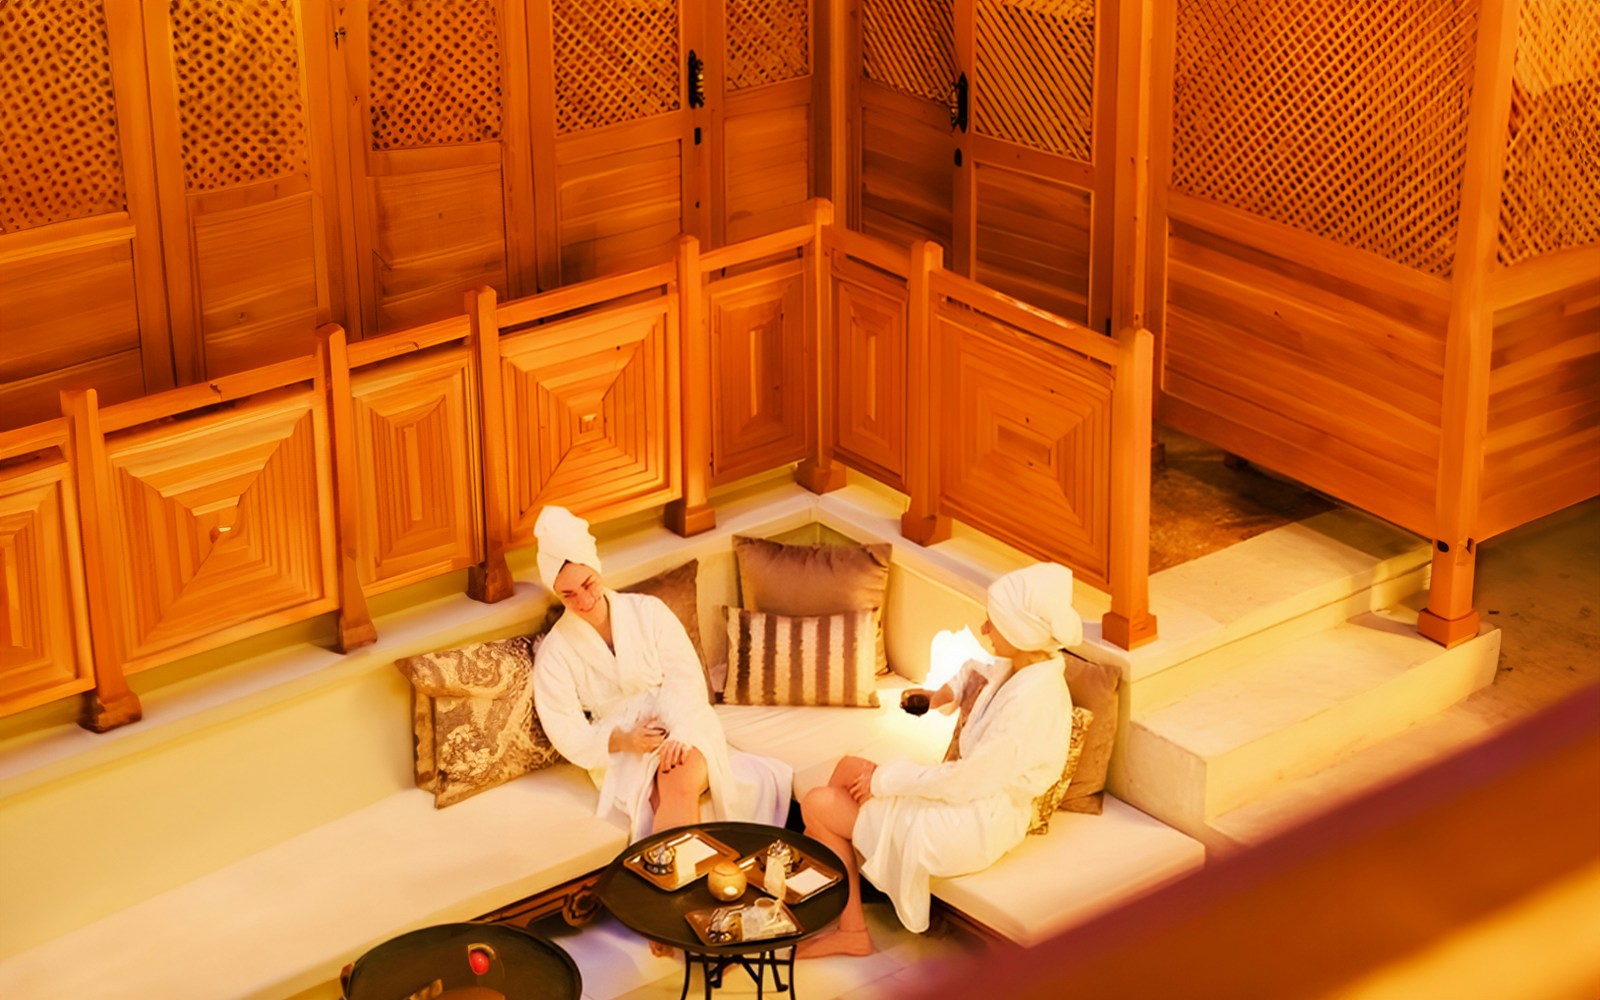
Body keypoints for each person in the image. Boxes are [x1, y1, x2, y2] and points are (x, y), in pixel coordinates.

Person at [796, 562, 1081, 958]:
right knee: (846, 769)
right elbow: (975, 672)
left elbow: (970, 781)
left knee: (818, 805)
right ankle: (837, 887)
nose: (985, 629)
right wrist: (936, 696)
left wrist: (886, 781)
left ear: (1020, 632)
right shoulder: (1025, 668)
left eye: (993, 623)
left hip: (975, 822)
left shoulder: (1034, 702)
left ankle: (849, 926)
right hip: (967, 796)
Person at [531, 505, 793, 845]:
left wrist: (678, 732)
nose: (584, 600)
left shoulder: (648, 611)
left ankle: (676, 886)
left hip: (684, 721)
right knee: (656, 794)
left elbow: (685, 676)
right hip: (621, 748)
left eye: (588, 583)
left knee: (677, 774)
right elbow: (567, 732)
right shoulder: (555, 653)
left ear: (597, 569)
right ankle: (692, 883)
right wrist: (624, 740)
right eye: (568, 595)